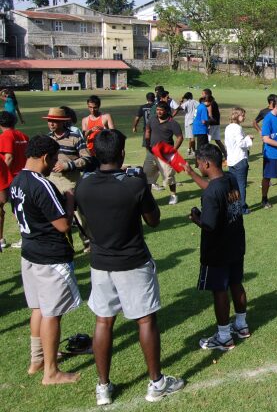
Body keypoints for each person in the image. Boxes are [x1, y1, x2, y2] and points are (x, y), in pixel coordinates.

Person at [75, 130, 185, 404]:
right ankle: (156, 383)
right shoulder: (133, 184)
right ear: (122, 153)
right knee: (145, 319)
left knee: (104, 320)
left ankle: (103, 387)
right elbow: (154, 220)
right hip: (132, 261)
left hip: (100, 263)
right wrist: (140, 184)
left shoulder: (84, 185)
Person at [11, 135, 80, 384]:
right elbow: (62, 225)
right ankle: (51, 371)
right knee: (52, 313)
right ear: (45, 157)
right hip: (49, 257)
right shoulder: (42, 184)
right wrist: (70, 201)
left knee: (38, 309)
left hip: (29, 253)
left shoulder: (17, 180)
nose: (53, 165)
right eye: (53, 160)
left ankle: (37, 360)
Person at [186, 144, 250, 351]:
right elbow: (214, 189)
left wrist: (196, 218)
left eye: (198, 164)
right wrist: (193, 174)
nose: (198, 166)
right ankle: (241, 325)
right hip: (236, 243)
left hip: (217, 251)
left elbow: (209, 225)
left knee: (219, 291)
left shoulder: (211, 194)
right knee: (236, 283)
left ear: (206, 163)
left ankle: (224, 336)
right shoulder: (230, 178)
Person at [144, 102, 183, 206]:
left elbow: (180, 137)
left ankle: (173, 195)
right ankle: (148, 198)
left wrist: (174, 150)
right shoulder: (152, 119)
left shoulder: (172, 123)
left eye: (161, 110)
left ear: (166, 110)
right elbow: (147, 130)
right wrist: (147, 143)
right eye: (157, 110)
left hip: (165, 155)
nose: (158, 112)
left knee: (169, 176)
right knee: (147, 175)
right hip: (151, 153)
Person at [0, 111, 28, 249]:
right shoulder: (23, 135)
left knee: (13, 208)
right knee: (21, 207)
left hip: (11, 178)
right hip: (24, 175)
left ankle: (3, 239)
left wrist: (3, 173)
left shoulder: (5, 136)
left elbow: (9, 157)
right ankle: (25, 236)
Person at [224, 107, 253, 215]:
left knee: (233, 185)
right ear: (237, 116)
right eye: (243, 115)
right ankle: (242, 207)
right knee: (241, 185)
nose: (244, 117)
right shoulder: (237, 128)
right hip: (240, 159)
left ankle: (234, 205)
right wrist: (249, 139)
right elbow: (241, 143)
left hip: (231, 159)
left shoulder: (228, 127)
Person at [202, 88, 226, 155]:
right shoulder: (213, 102)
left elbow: (210, 115)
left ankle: (206, 155)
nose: (202, 96)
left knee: (206, 140)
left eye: (203, 94)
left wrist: (206, 122)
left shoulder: (210, 103)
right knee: (217, 140)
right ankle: (226, 154)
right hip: (216, 123)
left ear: (207, 95)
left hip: (212, 124)